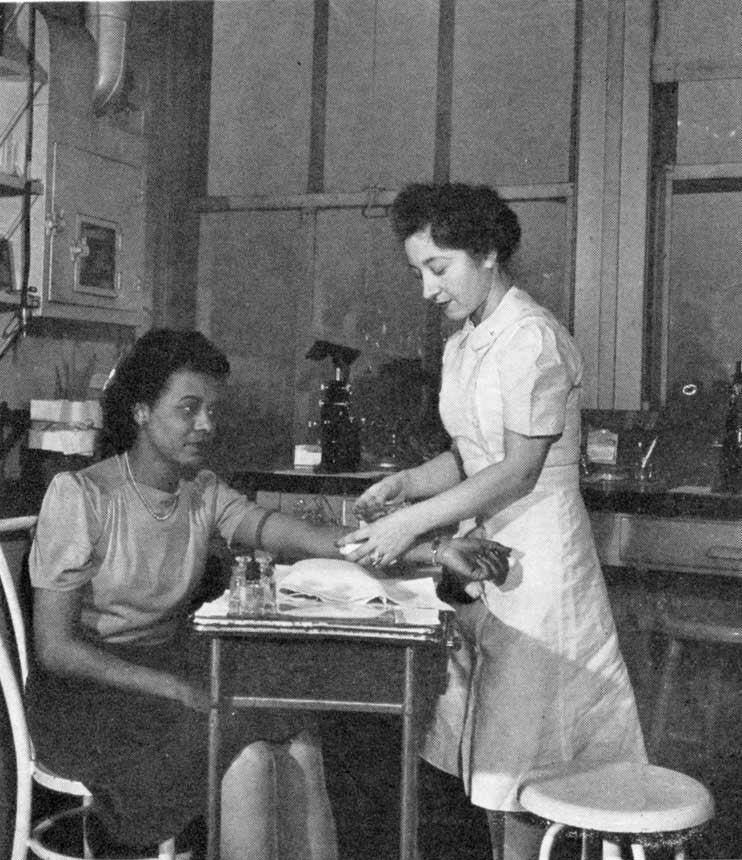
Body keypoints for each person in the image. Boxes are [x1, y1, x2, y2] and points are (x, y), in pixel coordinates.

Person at [26, 327, 503, 860]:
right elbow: (56, 650)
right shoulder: (83, 495)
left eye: (212, 409)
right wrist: (171, 687)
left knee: (297, 736)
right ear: (140, 411)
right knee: (248, 751)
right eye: (188, 409)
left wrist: (434, 551)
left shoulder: (200, 492)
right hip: (88, 696)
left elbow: (317, 541)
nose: (206, 424)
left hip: (170, 669)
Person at [341, 183, 647, 860]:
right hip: (490, 561)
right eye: (418, 271)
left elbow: (517, 471)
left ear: (486, 252)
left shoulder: (533, 339)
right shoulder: (467, 342)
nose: (427, 289)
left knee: (529, 762)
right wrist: (406, 484)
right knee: (493, 764)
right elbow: (469, 453)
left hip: (543, 569)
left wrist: (411, 524)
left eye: (438, 268)